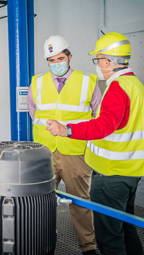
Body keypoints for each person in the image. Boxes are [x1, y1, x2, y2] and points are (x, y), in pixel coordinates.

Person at [47, 32, 144, 255]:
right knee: (126, 227)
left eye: (98, 59)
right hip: (130, 171)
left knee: (108, 235)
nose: (98, 64)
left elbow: (103, 126)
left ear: (108, 61)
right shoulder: (135, 84)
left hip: (111, 174)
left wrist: (66, 129)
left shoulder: (118, 88)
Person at [28, 35, 101, 255]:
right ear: (47, 61)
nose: (56, 63)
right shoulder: (37, 82)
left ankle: (88, 247)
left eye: (60, 57)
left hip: (75, 153)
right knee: (39, 202)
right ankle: (39, 244)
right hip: (44, 152)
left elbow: (98, 117)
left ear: (69, 57)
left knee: (80, 202)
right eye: (51, 60)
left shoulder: (88, 81)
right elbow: (34, 113)